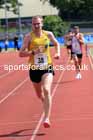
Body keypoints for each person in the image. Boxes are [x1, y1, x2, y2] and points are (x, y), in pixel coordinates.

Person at [19, 16, 60, 128]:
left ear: (42, 24)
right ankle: (46, 102)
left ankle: (46, 118)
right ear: (32, 25)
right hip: (34, 69)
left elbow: (56, 44)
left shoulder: (48, 34)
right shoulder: (28, 37)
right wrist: (33, 52)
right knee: (39, 95)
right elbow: (21, 53)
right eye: (34, 24)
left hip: (47, 67)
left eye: (38, 23)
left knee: (47, 89)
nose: (36, 26)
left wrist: (57, 53)